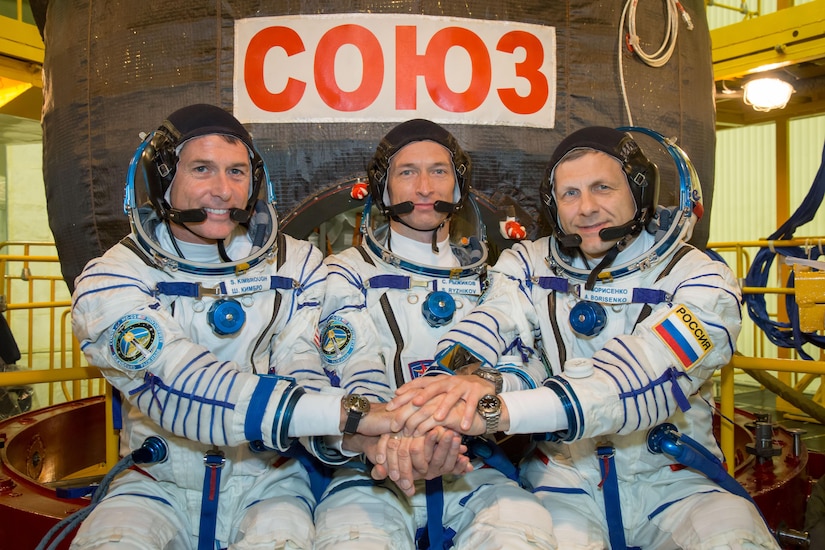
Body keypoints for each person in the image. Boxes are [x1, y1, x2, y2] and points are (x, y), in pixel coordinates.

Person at [68, 105, 459, 550]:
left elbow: (310, 366)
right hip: (156, 485)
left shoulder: (297, 266)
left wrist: (362, 437)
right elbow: (184, 386)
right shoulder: (113, 276)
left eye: (236, 172)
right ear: (163, 180)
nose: (222, 190)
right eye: (201, 169)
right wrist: (354, 415)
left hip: (271, 483)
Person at [390, 126, 780, 549]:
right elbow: (493, 327)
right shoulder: (530, 264)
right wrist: (457, 380)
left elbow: (639, 374)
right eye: (570, 194)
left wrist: (495, 411)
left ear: (639, 193)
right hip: (564, 478)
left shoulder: (701, 279)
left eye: (602, 188)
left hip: (675, 482)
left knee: (737, 540)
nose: (587, 208)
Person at [312, 118, 557, 549]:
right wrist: (389, 437)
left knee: (523, 533)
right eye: (407, 172)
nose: (424, 187)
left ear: (458, 188)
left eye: (439, 171)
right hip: (372, 465)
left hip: (472, 463)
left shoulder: (493, 279)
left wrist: (480, 400)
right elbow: (347, 364)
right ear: (383, 188)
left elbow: (530, 360)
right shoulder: (344, 273)